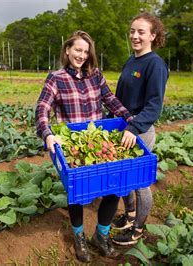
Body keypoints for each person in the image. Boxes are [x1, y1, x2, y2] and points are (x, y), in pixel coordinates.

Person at [35, 30, 136, 263]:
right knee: (78, 194)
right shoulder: (56, 77)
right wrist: (47, 133)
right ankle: (79, 238)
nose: (81, 55)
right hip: (73, 146)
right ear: (67, 50)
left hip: (97, 141)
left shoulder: (96, 76)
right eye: (77, 50)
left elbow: (110, 100)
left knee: (114, 187)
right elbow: (42, 108)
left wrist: (131, 119)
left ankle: (101, 236)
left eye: (85, 51)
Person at [109, 12, 168, 246]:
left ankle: (138, 229)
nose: (135, 36)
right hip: (124, 128)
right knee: (124, 178)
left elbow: (154, 105)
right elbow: (120, 98)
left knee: (139, 181)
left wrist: (133, 128)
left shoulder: (155, 64)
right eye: (132, 31)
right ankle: (130, 215)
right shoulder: (131, 60)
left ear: (153, 36)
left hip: (139, 131)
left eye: (141, 32)